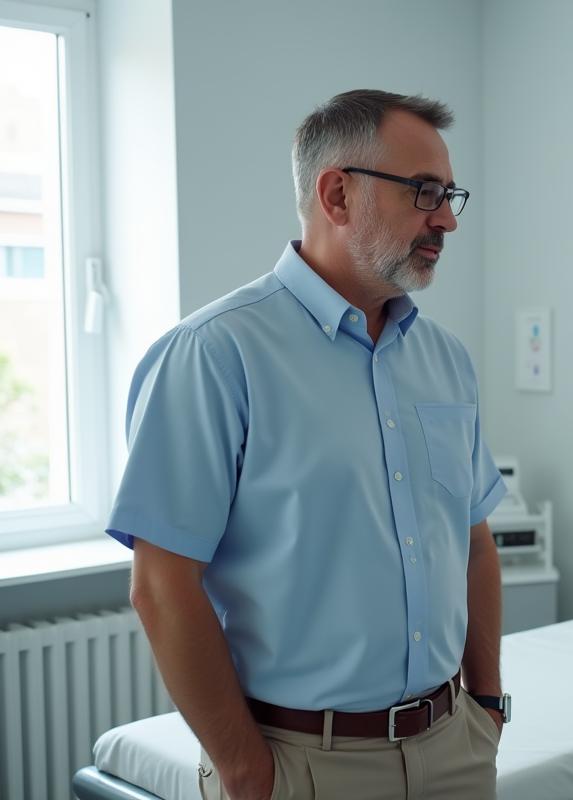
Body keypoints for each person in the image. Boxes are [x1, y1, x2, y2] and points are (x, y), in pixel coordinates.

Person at [107, 90, 509, 800]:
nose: (446, 218)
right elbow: (162, 588)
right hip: (302, 765)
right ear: (336, 194)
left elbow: (474, 543)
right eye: (424, 193)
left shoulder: (445, 359)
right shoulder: (213, 355)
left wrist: (486, 706)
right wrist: (243, 767)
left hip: (454, 752)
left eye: (450, 196)